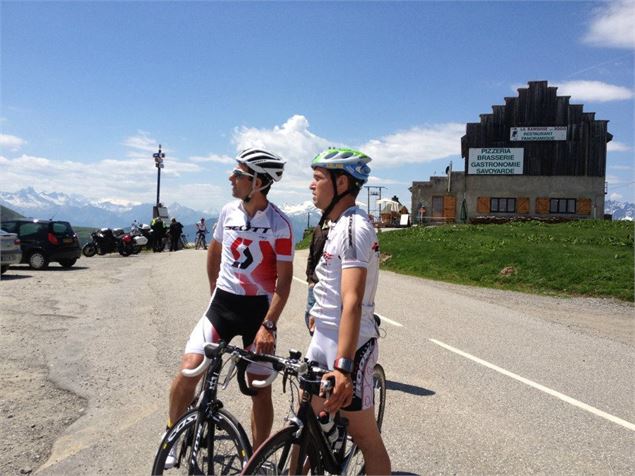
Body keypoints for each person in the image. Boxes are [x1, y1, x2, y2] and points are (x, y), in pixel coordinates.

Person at [164, 148, 293, 468]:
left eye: (239, 174)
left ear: (258, 182)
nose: (230, 178)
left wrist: (270, 325)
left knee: (259, 388)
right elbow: (214, 252)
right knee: (188, 369)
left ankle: (259, 458)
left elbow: (285, 282)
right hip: (222, 303)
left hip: (257, 313)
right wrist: (213, 292)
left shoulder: (281, 224)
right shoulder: (227, 212)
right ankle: (172, 434)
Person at [306, 147, 391, 474]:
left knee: (366, 439)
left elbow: (352, 300)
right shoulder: (335, 224)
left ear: (341, 183)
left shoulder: (354, 228)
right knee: (305, 428)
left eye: (317, 178)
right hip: (322, 339)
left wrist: (343, 369)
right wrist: (317, 312)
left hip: (351, 348)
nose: (311, 186)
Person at [304, 223, 328, 335]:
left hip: (327, 285)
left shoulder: (338, 227)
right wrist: (309, 278)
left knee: (322, 323)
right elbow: (311, 255)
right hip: (314, 283)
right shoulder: (318, 228)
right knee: (309, 316)